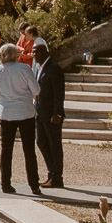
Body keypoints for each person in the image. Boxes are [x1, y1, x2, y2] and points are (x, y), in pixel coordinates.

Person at [0, 43, 42, 195]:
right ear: (16, 55)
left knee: (6, 149)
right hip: (25, 111)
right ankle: (34, 184)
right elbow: (36, 90)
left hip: (6, 112)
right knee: (29, 150)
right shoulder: (24, 69)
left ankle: (5, 183)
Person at [32, 34, 66, 188]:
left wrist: (57, 113)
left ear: (44, 52)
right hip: (40, 112)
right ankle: (51, 172)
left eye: (36, 52)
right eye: (33, 52)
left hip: (51, 114)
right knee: (41, 142)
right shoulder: (40, 68)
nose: (33, 55)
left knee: (54, 144)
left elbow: (59, 93)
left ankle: (57, 177)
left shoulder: (54, 68)